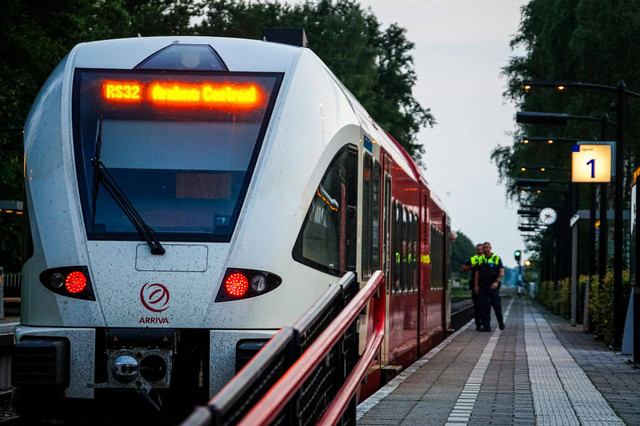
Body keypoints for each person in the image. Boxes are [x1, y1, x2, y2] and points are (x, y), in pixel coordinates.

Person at [474, 241, 505, 331]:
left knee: (496, 305)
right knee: (484, 307)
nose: (485, 249)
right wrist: (476, 285)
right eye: (484, 248)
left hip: (493, 287)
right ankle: (486, 326)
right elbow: (477, 273)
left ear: (490, 248)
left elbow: (501, 271)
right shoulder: (480, 260)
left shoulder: (496, 259)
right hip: (483, 286)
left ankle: (501, 322)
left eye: (487, 247)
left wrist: (497, 282)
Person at [462, 244, 484, 330]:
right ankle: (478, 323)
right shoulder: (473, 259)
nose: (480, 251)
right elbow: (463, 268)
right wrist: (471, 266)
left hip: (484, 285)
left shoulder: (487, 259)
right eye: (478, 249)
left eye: (481, 249)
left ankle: (483, 322)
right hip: (475, 285)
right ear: (476, 250)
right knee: (477, 305)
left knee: (484, 305)